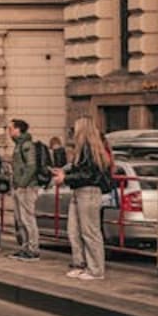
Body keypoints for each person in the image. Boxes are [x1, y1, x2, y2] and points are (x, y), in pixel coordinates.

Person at [58, 116, 112, 281]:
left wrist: (65, 178)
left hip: (88, 191)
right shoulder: (85, 148)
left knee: (90, 232)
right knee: (74, 230)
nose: (73, 131)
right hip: (79, 191)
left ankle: (96, 269)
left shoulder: (90, 148)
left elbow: (88, 174)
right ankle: (80, 264)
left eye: (75, 128)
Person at [4, 119, 44, 261]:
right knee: (21, 219)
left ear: (18, 129)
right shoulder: (20, 145)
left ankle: (32, 249)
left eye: (10, 128)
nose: (8, 131)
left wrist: (21, 183)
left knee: (27, 218)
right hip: (21, 186)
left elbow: (31, 166)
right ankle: (25, 247)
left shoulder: (26, 145)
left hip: (26, 187)